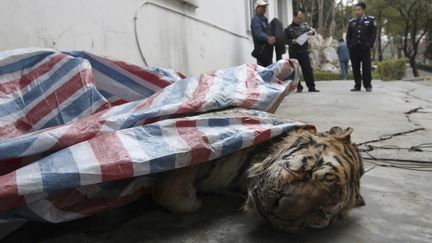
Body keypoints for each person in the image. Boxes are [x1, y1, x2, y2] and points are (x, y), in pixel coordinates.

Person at [285, 10, 319, 92]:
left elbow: (313, 32)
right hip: (294, 52)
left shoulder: (304, 26)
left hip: (304, 51)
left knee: (307, 69)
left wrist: (311, 32)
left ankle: (311, 87)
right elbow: (285, 40)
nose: (300, 20)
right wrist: (291, 41)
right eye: (299, 18)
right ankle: (298, 87)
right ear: (294, 17)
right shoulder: (288, 28)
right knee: (295, 71)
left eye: (301, 18)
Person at [346, 2, 377, 92]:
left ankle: (368, 85)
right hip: (354, 49)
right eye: (356, 10)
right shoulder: (352, 22)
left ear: (363, 10)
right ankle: (357, 85)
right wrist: (350, 46)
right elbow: (349, 36)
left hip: (365, 48)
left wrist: (369, 45)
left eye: (358, 10)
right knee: (355, 67)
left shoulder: (371, 20)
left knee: (366, 68)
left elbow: (373, 35)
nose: (356, 12)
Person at [251, 0, 275, 67]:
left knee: (269, 71)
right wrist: (267, 38)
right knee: (263, 72)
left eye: (265, 7)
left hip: (267, 51)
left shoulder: (264, 19)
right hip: (261, 51)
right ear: (257, 8)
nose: (264, 9)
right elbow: (257, 33)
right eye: (262, 7)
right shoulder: (256, 19)